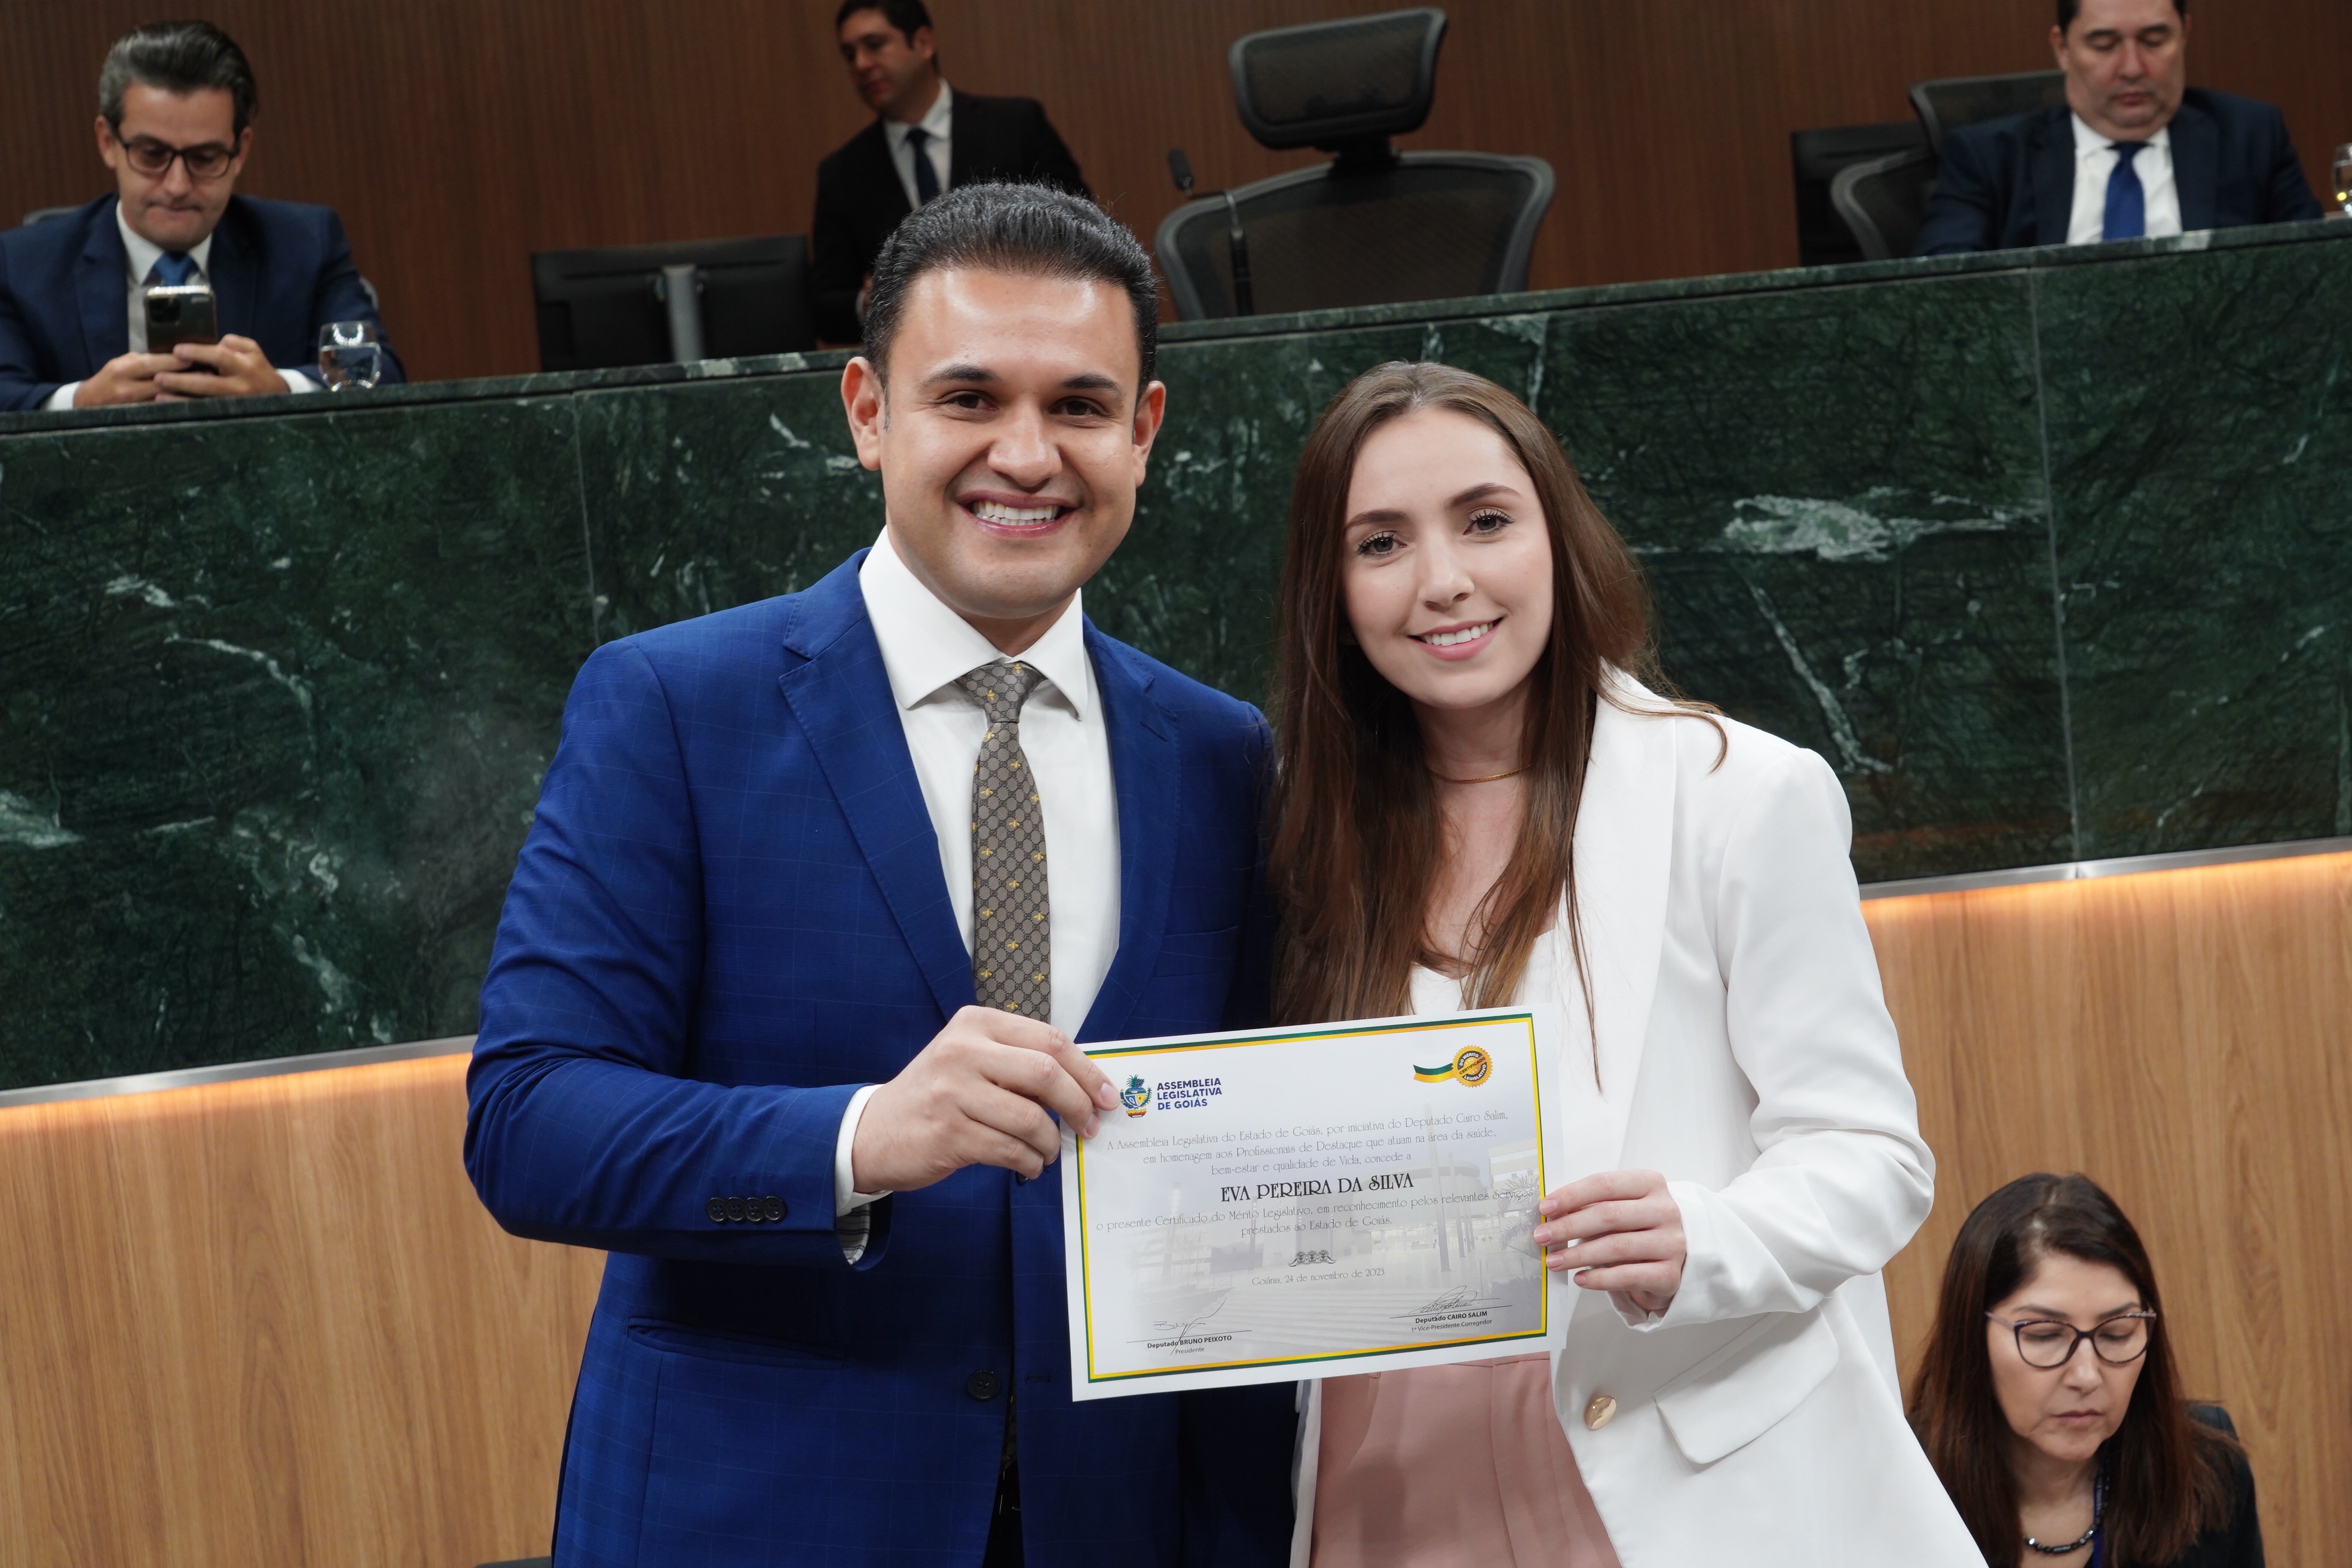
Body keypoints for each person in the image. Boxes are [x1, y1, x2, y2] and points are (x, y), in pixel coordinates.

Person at [466, 181, 1293, 1568]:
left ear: (1144, 433)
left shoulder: (1223, 753)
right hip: (759, 1514)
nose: (1026, 454)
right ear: (867, 412)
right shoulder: (674, 707)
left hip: (1118, 1516)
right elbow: (532, 1123)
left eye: (1080, 406)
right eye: (968, 397)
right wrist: (856, 1139)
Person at [1265, 361, 1982, 1565]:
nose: (1443, 579)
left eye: (1485, 520)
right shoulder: (1297, 830)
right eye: (1380, 542)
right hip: (1389, 1467)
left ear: (1558, 535)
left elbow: (1873, 1155)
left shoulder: (1739, 792)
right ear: (1329, 592)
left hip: (1668, 1463)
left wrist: (1704, 1237)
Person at [0, 20, 401, 414]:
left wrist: (280, 390)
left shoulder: (307, 244)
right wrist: (80, 402)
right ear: (108, 142)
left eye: (205, 158)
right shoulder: (20, 265)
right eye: (152, 155)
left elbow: (379, 374)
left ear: (240, 152)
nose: (177, 186)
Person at [1909, 1174, 2264, 1567]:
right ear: (1971, 1337)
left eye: (2117, 1333)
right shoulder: (1897, 1484)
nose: (2087, 1376)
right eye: (2045, 1335)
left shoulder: (2206, 1468)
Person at [1913, 0, 2320, 255]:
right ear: (2062, 49)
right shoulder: (1988, 157)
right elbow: (1942, 288)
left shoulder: (2251, 136)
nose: (2132, 68)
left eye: (2154, 41)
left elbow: (2316, 266)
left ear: (2185, 35)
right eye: (2104, 45)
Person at [810, 0, 1088, 344]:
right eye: (850, 54)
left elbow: (1082, 236)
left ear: (923, 42)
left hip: (1029, 337)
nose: (861, 64)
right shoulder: (842, 172)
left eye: (874, 45)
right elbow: (826, 308)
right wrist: (868, 303)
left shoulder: (1016, 127)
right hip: (915, 356)